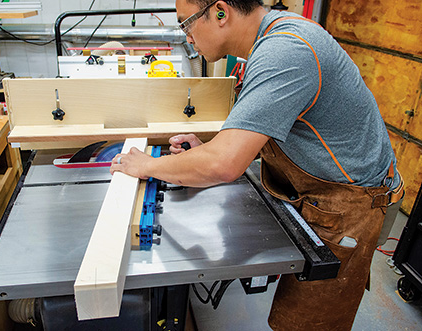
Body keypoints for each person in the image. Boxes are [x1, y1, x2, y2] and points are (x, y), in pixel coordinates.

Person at [110, 0, 404, 330]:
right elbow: (245, 140)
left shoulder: (286, 51)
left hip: (351, 207)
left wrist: (148, 165)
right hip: (321, 192)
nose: (187, 37)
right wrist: (205, 153)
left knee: (307, 324)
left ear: (221, 12)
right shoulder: (273, 37)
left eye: (186, 23)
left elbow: (224, 165)